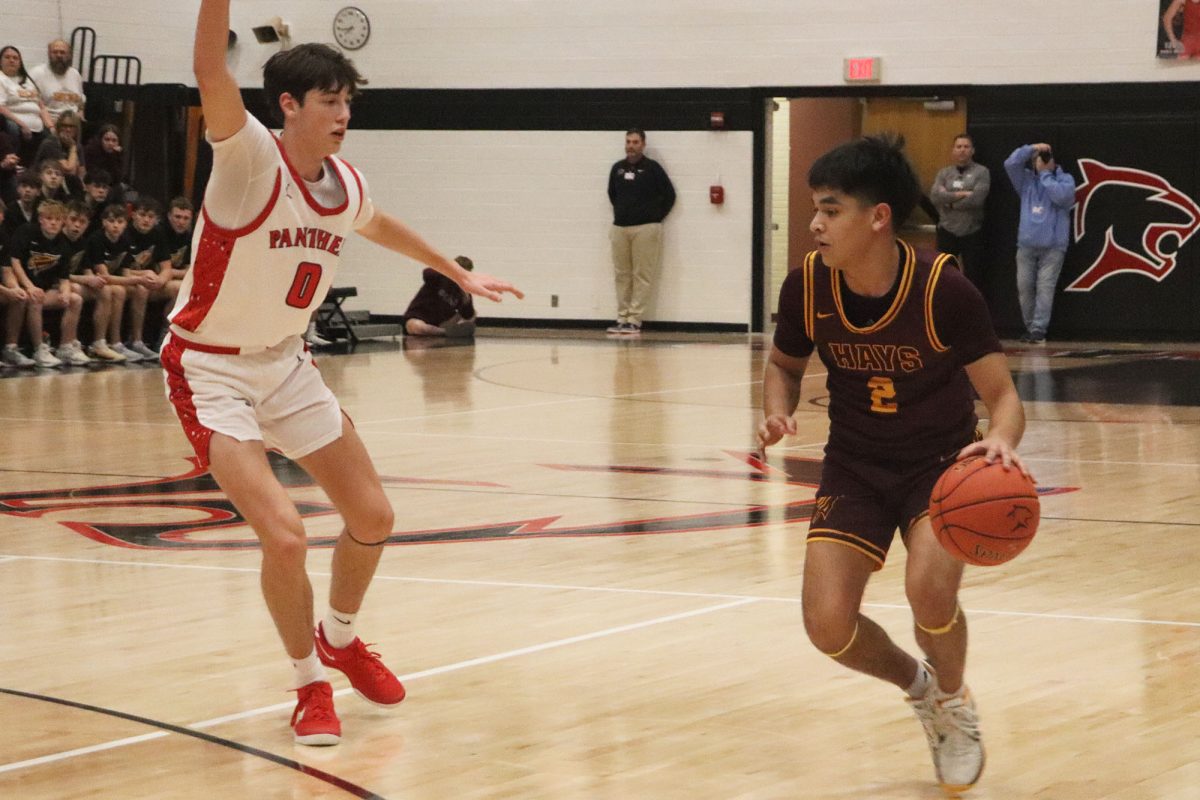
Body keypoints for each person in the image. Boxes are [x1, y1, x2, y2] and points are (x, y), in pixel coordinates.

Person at [165, 0, 523, 746]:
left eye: (349, 101)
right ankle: (308, 684)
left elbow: (376, 222)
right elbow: (207, 68)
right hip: (212, 371)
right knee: (287, 537)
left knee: (374, 518)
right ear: (288, 106)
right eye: (330, 100)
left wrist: (455, 270)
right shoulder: (249, 157)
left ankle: (341, 635)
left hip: (287, 366)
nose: (343, 113)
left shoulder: (345, 182)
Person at [757, 134, 1030, 794]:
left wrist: (1001, 441)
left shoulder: (944, 289)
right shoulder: (808, 286)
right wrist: (776, 409)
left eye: (831, 209)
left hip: (939, 468)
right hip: (854, 465)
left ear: (879, 217)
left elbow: (1004, 397)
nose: (816, 224)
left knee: (929, 592)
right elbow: (783, 364)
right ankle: (921, 688)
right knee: (827, 626)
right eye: (814, 210)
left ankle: (955, 702)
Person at [1003, 143, 1076, 345]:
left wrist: (1045, 175)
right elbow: (1010, 163)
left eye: (1046, 157)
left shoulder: (1065, 180)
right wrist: (1031, 148)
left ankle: (1038, 330)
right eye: (1038, 158)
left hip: (1053, 247)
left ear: (1055, 160)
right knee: (1024, 287)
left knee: (1045, 288)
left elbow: (1062, 197)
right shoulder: (1025, 181)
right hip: (1026, 245)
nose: (1042, 160)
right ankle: (1029, 327)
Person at [606, 128, 674, 335]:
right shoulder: (617, 169)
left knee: (642, 274)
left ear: (643, 145)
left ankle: (634, 319)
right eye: (628, 142)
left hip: (646, 228)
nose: (631, 146)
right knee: (621, 274)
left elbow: (669, 196)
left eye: (635, 142)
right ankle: (622, 317)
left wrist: (654, 218)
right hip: (620, 228)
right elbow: (612, 194)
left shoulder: (653, 169)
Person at [6, 199, 91, 366]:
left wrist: (65, 291)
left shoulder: (62, 244)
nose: (53, 223)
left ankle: (66, 347)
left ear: (63, 222)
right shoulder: (27, 232)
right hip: (22, 285)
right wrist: (28, 286)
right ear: (41, 219)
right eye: (49, 218)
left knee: (75, 299)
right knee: (36, 297)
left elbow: (64, 277)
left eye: (57, 219)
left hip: (44, 289)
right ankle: (39, 349)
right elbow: (14, 262)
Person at [63, 199, 124, 362]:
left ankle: (99, 343)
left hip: (73, 281)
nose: (77, 225)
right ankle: (70, 344)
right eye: (73, 220)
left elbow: (86, 267)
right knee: (75, 289)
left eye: (82, 222)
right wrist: (86, 279)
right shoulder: (58, 240)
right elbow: (56, 275)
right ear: (64, 219)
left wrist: (93, 279)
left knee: (106, 289)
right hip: (56, 283)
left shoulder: (83, 242)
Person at [930, 134, 990, 290]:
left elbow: (976, 200)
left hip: (972, 233)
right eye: (959, 147)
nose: (962, 150)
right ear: (953, 151)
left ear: (972, 151)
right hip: (947, 232)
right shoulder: (944, 173)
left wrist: (948, 202)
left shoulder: (982, 172)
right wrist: (961, 194)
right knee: (943, 275)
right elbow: (935, 197)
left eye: (966, 147)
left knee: (974, 278)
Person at [0, 46, 52, 167]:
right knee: (12, 128)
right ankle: (14, 162)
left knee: (51, 138)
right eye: (7, 57)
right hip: (13, 121)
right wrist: (23, 125)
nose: (12, 60)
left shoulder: (27, 80)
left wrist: (51, 126)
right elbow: (1, 107)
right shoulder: (1, 79)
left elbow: (41, 106)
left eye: (15, 58)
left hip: (36, 124)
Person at [403, 254, 478, 336]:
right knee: (417, 327)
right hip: (418, 316)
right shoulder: (439, 277)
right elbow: (427, 272)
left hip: (437, 323)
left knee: (472, 315)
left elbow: (467, 315)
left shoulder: (462, 291)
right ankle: (445, 333)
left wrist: (467, 301)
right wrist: (447, 270)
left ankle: (445, 331)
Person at [28, 40, 86, 125]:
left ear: (69, 55)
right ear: (49, 54)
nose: (59, 55)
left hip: (73, 124)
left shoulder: (75, 74)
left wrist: (81, 112)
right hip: (47, 122)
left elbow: (81, 100)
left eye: (62, 52)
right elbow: (32, 104)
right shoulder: (36, 73)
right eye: (55, 52)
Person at [34, 110, 85, 193]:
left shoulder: (77, 145)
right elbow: (68, 168)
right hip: (41, 186)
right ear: (58, 127)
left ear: (77, 129)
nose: (68, 129)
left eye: (71, 126)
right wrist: (72, 147)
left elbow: (81, 173)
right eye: (64, 126)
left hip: (63, 185)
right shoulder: (50, 143)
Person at [83, 124, 125, 190]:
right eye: (107, 140)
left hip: (111, 186)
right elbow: (93, 174)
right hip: (94, 184)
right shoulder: (91, 150)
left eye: (114, 141)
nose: (110, 143)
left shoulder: (118, 154)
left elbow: (117, 179)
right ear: (100, 140)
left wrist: (114, 157)